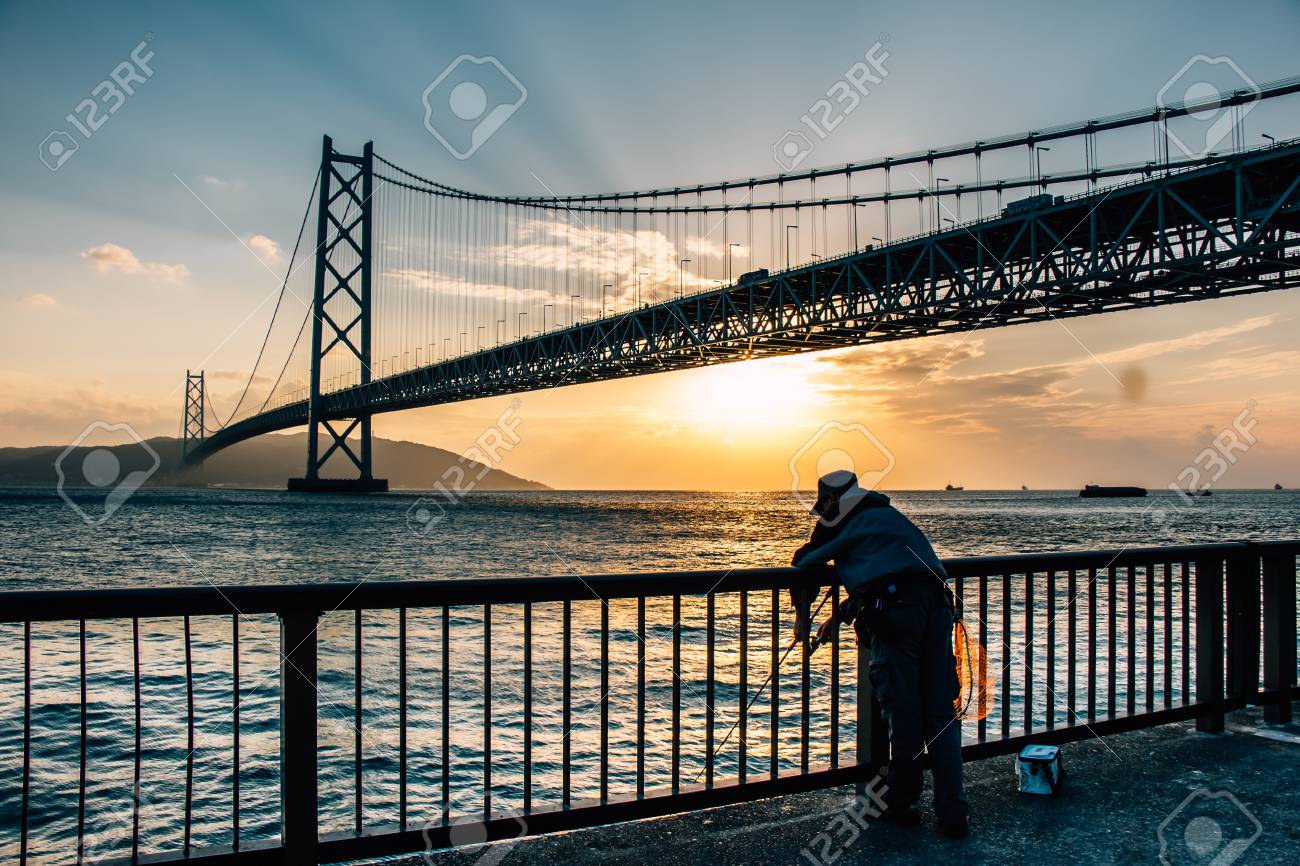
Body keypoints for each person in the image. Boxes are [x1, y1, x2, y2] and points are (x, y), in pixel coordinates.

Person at [791, 469, 970, 838]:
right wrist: (840, 612)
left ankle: (901, 803)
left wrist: (801, 621)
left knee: (903, 713)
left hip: (896, 616)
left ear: (828, 501)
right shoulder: (888, 516)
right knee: (940, 714)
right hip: (937, 608)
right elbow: (893, 571)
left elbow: (806, 563)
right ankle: (953, 812)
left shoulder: (842, 523)